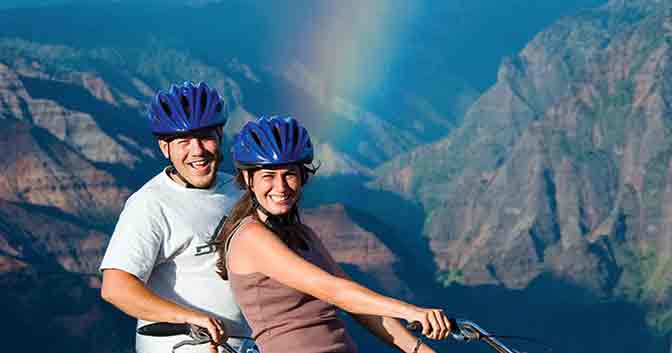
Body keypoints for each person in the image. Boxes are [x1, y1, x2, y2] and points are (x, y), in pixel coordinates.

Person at [215, 115, 452, 353]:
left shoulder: (302, 234)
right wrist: (411, 311)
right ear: (248, 179)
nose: (281, 186)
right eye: (268, 176)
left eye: (289, 174)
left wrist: (420, 350)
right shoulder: (251, 237)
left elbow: (357, 302)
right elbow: (333, 291)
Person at [100, 81, 253, 353]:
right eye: (183, 141)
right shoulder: (150, 204)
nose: (197, 151)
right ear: (164, 148)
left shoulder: (239, 190)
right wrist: (189, 317)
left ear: (220, 136)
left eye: (206, 137)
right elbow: (115, 287)